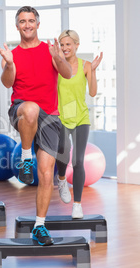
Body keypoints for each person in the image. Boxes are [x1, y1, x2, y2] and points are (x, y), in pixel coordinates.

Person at [0, 6, 72, 246]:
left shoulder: (50, 50)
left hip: (50, 117)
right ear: (17, 26)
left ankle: (39, 226)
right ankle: (26, 156)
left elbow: (68, 74)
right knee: (31, 108)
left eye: (31, 21)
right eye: (22, 21)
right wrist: (9, 64)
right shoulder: (13, 54)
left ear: (37, 24)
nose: (27, 25)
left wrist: (58, 57)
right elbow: (8, 83)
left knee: (46, 173)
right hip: (21, 109)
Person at [56, 29, 103, 219]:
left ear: (77, 45)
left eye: (69, 44)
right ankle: (60, 180)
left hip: (81, 118)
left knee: (78, 160)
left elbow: (92, 93)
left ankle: (77, 205)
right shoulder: (57, 65)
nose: (65, 48)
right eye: (62, 45)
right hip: (61, 116)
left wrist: (92, 71)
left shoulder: (86, 65)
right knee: (62, 151)